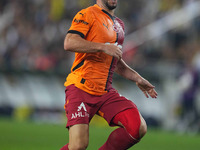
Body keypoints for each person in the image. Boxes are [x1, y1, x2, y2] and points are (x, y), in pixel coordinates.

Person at [61, 0, 158, 150]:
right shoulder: (87, 14)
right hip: (81, 88)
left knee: (138, 127)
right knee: (78, 146)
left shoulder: (119, 24)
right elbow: (69, 42)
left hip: (105, 92)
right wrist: (102, 47)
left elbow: (115, 61)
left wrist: (138, 78)